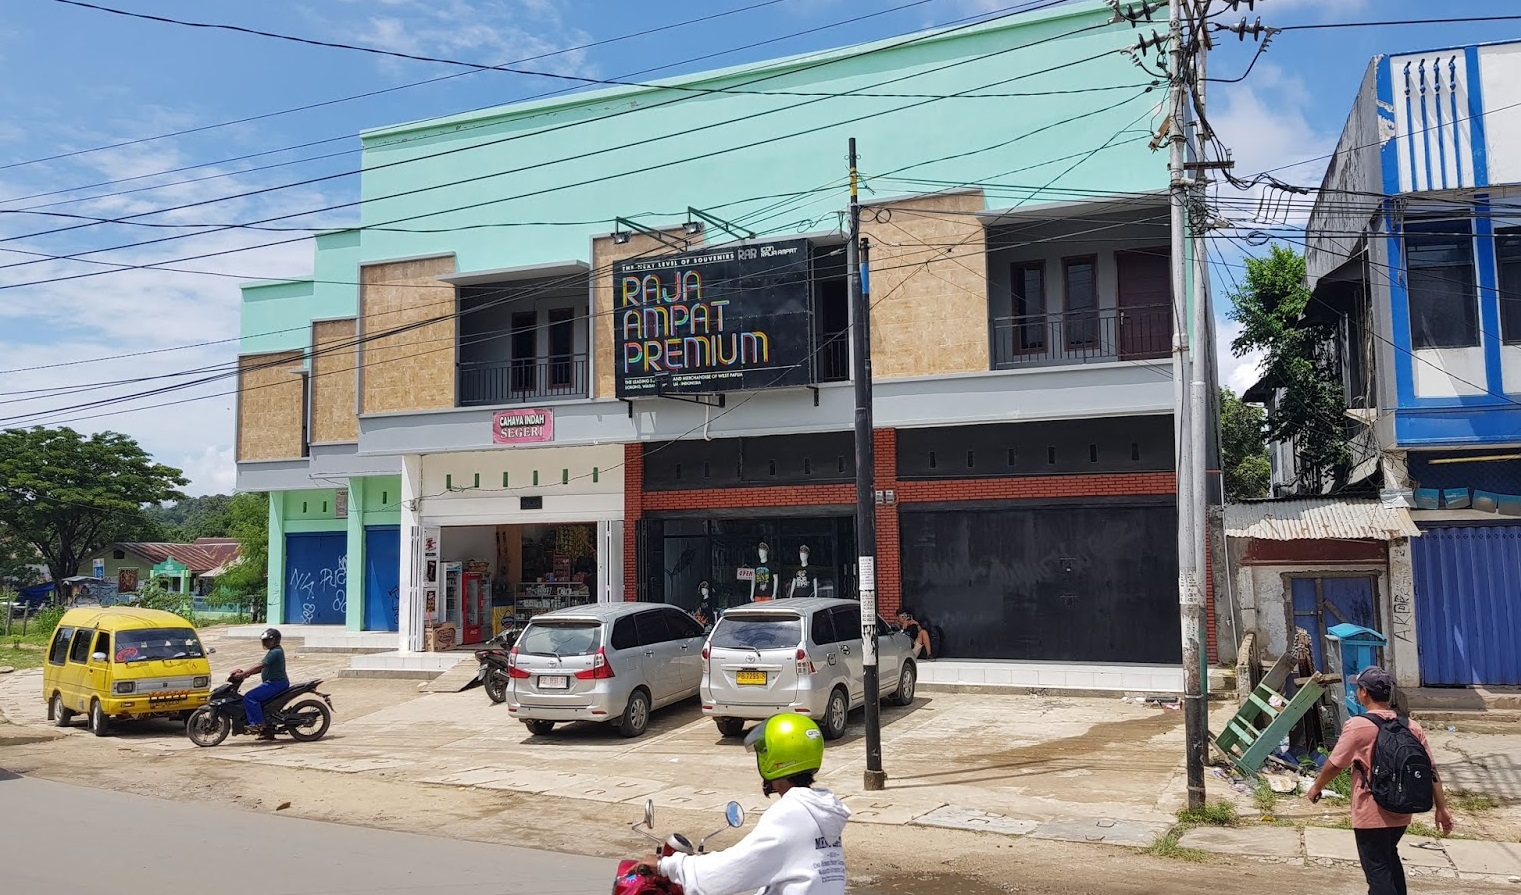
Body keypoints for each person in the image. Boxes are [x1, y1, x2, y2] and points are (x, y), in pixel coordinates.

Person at [637, 714, 850, 895]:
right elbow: (758, 860)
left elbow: (730, 871)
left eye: (762, 752)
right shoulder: (822, 812)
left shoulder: (791, 814)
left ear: (773, 757)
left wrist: (666, 866)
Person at [1305, 667, 1454, 895]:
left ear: (1364, 693)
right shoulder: (1412, 727)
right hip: (1402, 811)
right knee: (1388, 859)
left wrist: (1316, 787)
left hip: (1370, 813)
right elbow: (1430, 770)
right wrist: (1441, 808)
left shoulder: (1357, 725)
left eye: (1359, 688)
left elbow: (1335, 764)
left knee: (1377, 871)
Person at [232, 628, 289, 741]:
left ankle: (257, 724)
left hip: (276, 683)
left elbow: (261, 665)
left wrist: (245, 673)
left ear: (275, 640)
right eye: (264, 641)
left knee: (250, 697)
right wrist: (247, 674)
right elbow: (263, 668)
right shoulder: (274, 651)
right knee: (263, 705)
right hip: (273, 683)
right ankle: (267, 731)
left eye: (268, 640)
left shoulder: (275, 652)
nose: (265, 643)